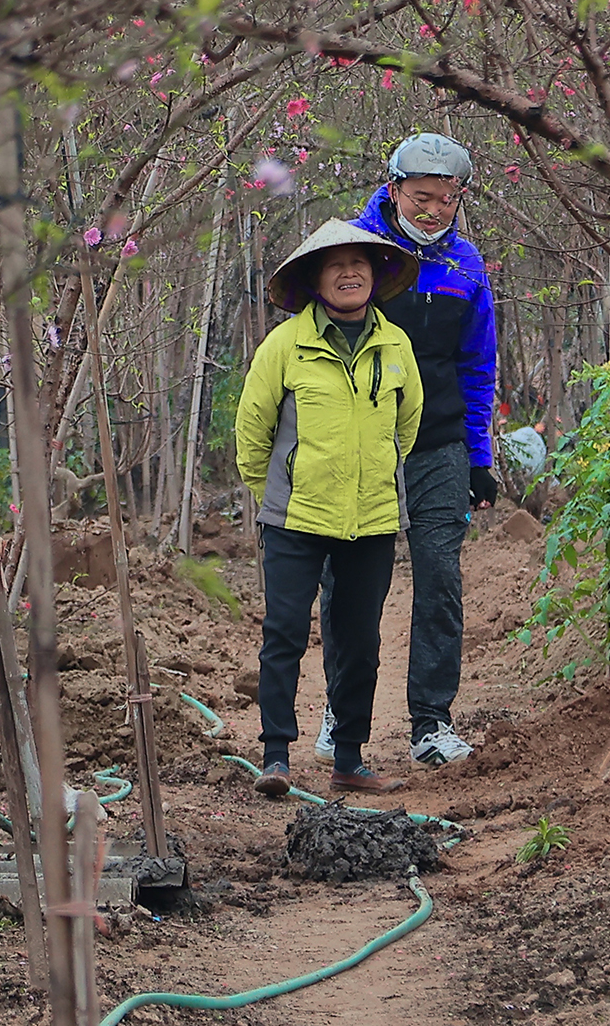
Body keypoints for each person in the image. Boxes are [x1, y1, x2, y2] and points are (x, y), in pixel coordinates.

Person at [315, 132, 498, 768]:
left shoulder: (465, 268)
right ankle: (341, 711)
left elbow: (477, 366)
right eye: (422, 197)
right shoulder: (350, 251)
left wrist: (480, 456)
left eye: (447, 200)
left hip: (439, 445)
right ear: (393, 190)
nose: (434, 210)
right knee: (353, 583)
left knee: (441, 578)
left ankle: (431, 720)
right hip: (360, 444)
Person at [237, 218, 424, 797]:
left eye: (360, 264)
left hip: (370, 519)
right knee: (285, 632)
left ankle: (349, 757)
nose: (349, 273)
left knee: (358, 640)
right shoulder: (285, 344)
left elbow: (407, 425)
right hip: (294, 519)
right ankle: (276, 756)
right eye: (336, 264)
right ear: (316, 279)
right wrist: (279, 493)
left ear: (374, 275)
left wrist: (374, 480)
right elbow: (253, 433)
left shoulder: (395, 346)